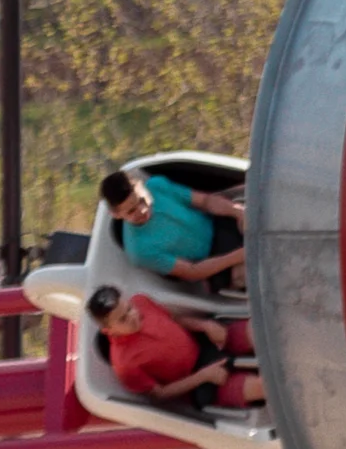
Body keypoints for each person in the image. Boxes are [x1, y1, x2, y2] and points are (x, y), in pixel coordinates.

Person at [92, 286, 263, 413]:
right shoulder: (125, 365)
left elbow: (174, 318)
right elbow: (160, 394)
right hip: (198, 381)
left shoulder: (141, 301)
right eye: (123, 319)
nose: (133, 316)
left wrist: (205, 325)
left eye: (129, 308)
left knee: (261, 330)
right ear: (109, 330)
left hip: (203, 344)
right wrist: (203, 376)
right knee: (261, 387)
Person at [103, 167, 247, 290]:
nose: (142, 210)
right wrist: (238, 256)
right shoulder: (139, 250)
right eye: (131, 211)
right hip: (215, 262)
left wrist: (238, 212)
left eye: (142, 200)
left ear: (142, 186)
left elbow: (205, 201)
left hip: (219, 224)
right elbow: (193, 271)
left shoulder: (157, 186)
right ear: (116, 214)